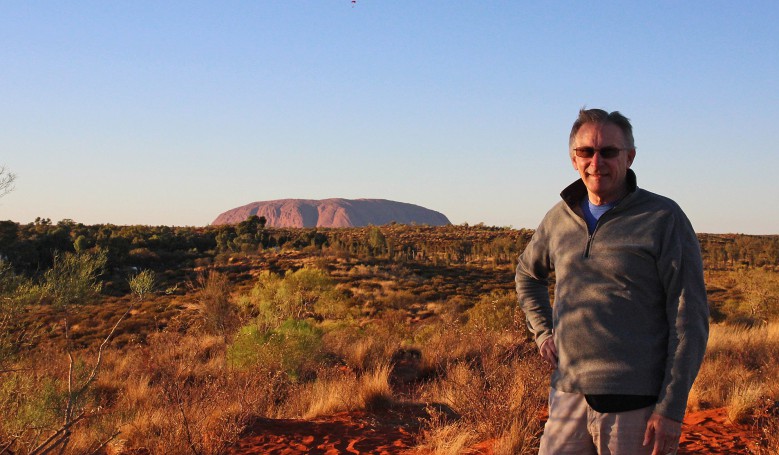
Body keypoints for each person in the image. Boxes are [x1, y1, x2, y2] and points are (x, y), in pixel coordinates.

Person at [515, 108, 709, 455]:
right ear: (573, 159)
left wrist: (671, 408)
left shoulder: (663, 218)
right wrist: (543, 332)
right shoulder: (559, 218)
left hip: (636, 406)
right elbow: (528, 275)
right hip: (567, 397)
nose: (596, 162)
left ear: (629, 157)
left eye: (608, 152)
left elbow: (689, 319)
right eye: (586, 152)